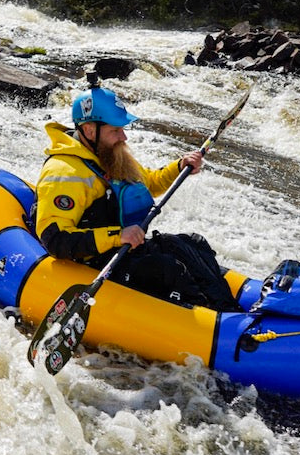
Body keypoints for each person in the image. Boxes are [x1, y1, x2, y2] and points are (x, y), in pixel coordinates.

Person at [34, 79, 241, 311]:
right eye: (115, 130)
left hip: (124, 249)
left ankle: (230, 311)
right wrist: (117, 236)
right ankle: (215, 326)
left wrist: (181, 165)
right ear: (90, 130)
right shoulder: (65, 173)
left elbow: (149, 183)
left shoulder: (112, 155)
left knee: (192, 244)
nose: (123, 137)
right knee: (167, 270)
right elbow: (55, 240)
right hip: (95, 260)